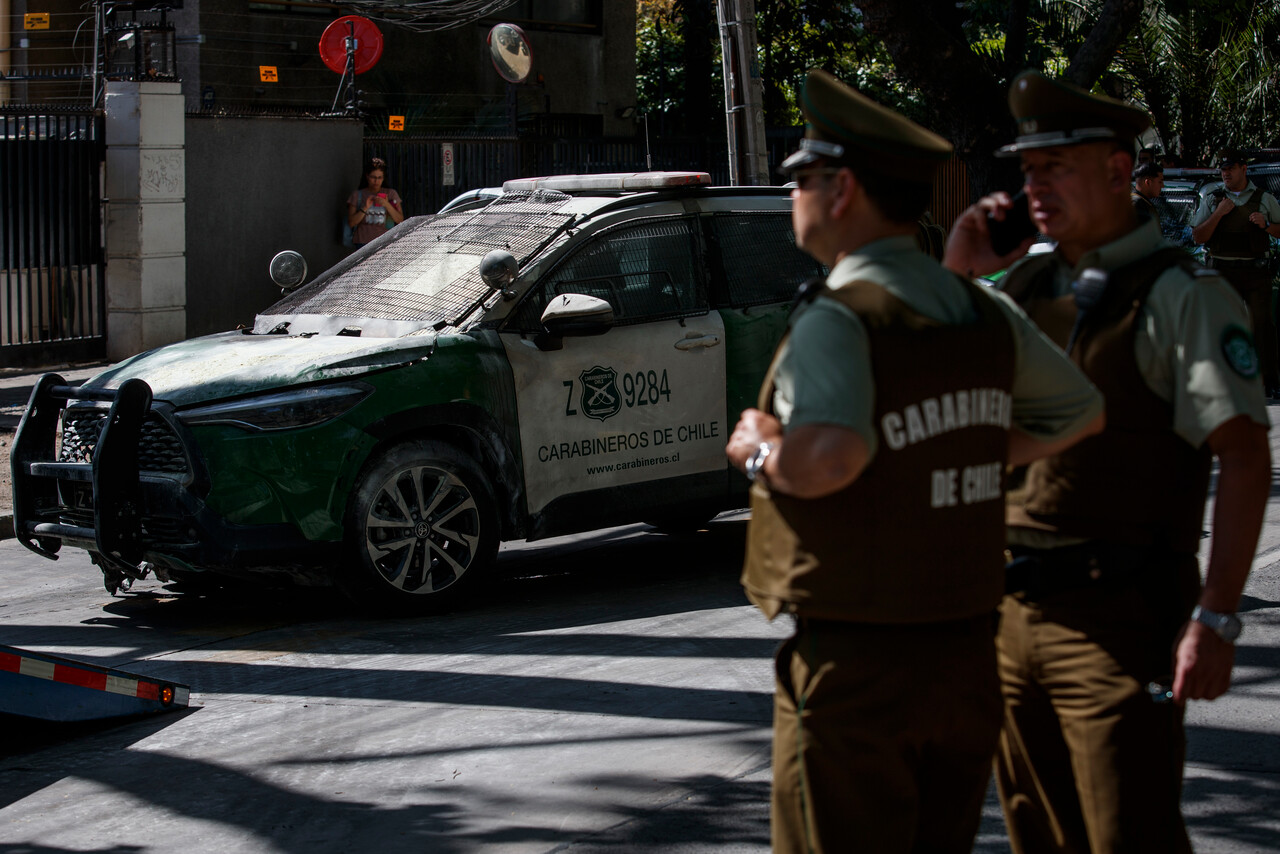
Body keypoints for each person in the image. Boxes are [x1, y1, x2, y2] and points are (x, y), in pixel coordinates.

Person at [726, 69, 1105, 854]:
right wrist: (959, 451)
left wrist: (758, 448)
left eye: (802, 176)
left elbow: (830, 459)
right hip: (966, 651)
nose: (792, 191)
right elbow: (1079, 411)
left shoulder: (842, 315)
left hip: (860, 665)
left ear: (844, 190)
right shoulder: (978, 306)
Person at [944, 70, 1272, 854]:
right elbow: (934, 389)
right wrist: (958, 267)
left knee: (1127, 833)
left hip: (1120, 614)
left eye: (1055, 168)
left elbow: (1245, 456)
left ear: (1120, 172)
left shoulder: (1181, 296)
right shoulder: (1025, 283)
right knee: (1038, 833)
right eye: (1028, 172)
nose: (1035, 188)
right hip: (1010, 615)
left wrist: (1218, 616)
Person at [1191, 148, 1280, 396]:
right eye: (1223, 169)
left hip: (1255, 271)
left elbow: (1279, 230)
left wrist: (1267, 225)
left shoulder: (1264, 199)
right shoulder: (1213, 198)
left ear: (1244, 168)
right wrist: (1219, 213)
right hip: (1221, 271)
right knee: (1220, 325)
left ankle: (1269, 381)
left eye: (1231, 168)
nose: (1226, 173)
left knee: (1263, 325)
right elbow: (1198, 236)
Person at [347, 156, 405, 248]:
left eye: (380, 178)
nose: (376, 181)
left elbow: (400, 220)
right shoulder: (358, 195)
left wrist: (386, 204)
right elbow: (351, 222)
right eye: (373, 177)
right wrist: (365, 207)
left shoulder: (391, 194)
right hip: (363, 242)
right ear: (367, 176)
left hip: (385, 242)